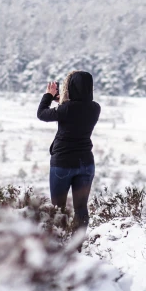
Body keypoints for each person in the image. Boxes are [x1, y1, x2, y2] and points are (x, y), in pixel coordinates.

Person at [37, 70, 100, 232]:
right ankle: (77, 246)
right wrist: (62, 101)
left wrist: (49, 96)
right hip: (86, 163)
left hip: (63, 163)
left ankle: (60, 245)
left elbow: (42, 114)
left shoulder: (66, 109)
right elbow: (75, 111)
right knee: (81, 208)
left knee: (58, 209)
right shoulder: (95, 108)